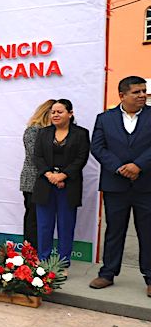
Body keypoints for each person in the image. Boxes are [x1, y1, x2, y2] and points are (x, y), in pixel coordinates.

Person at [90, 76, 151, 292]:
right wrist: (120, 168)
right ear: (122, 95)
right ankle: (107, 273)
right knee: (114, 231)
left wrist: (139, 165)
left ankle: (150, 278)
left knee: (148, 232)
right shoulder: (104, 119)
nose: (143, 95)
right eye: (137, 92)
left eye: (144, 91)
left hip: (146, 186)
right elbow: (97, 147)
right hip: (115, 185)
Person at [32, 99, 91, 266]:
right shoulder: (43, 133)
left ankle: (63, 264)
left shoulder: (81, 133)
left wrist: (63, 175)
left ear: (70, 114)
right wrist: (50, 175)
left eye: (60, 112)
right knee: (44, 226)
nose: (55, 115)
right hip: (45, 184)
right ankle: (43, 261)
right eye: (53, 112)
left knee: (66, 227)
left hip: (69, 185)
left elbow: (81, 158)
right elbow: (37, 157)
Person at [19, 100, 55, 248]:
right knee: (33, 219)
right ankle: (30, 253)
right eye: (54, 112)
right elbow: (35, 156)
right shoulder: (33, 130)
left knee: (46, 220)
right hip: (33, 182)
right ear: (46, 112)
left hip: (50, 180)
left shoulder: (59, 131)